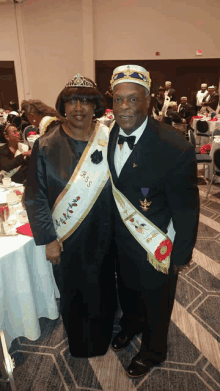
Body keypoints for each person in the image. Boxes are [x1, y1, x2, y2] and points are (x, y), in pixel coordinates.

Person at [108, 64, 199, 378]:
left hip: (156, 244)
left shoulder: (175, 148)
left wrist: (180, 254)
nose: (125, 107)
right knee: (128, 291)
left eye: (133, 99)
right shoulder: (108, 135)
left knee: (157, 302)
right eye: (119, 100)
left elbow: (187, 208)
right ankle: (131, 325)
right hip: (121, 239)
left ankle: (153, 350)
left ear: (148, 100)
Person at [24, 74, 117, 358]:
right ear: (63, 105)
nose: (79, 108)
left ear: (96, 106)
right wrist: (48, 239)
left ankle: (102, 339)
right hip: (67, 236)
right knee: (72, 292)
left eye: (86, 101)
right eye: (72, 101)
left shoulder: (110, 138)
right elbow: (34, 196)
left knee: (103, 289)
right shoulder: (46, 144)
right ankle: (79, 344)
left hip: (106, 231)